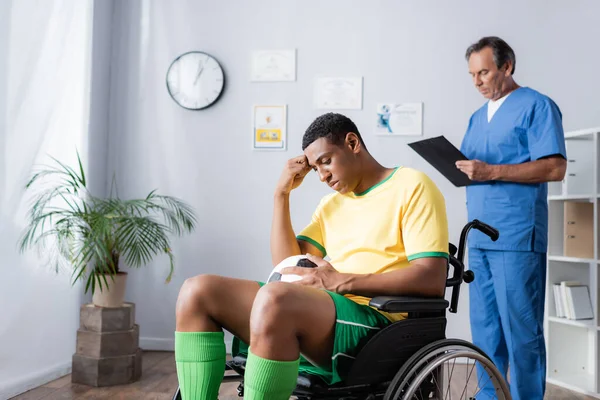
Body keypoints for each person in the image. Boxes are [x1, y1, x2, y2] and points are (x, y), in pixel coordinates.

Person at [174, 112, 450, 399]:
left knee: (275, 298)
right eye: (316, 168)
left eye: (326, 162)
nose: (322, 176)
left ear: (353, 143)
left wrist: (341, 281)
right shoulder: (330, 205)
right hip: (327, 310)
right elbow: (286, 265)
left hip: (379, 321)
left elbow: (431, 277)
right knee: (197, 291)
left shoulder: (412, 185)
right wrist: (281, 195)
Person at [456, 36, 567, 400]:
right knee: (485, 330)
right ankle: (489, 397)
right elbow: (478, 170)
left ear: (507, 66)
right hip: (481, 237)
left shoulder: (537, 106)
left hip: (517, 235)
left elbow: (554, 166)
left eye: (484, 72)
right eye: (472, 74)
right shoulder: (476, 117)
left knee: (521, 331)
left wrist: (491, 171)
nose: (477, 81)